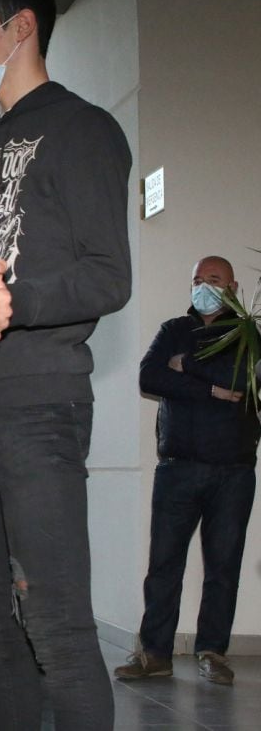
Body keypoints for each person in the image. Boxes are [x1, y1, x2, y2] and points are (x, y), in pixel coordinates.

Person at [0, 0, 131, 729]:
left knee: (55, 622)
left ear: (19, 27)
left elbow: (107, 276)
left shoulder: (83, 128)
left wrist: (18, 301)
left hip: (40, 403)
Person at [114, 256, 259, 686]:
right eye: (196, 279)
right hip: (177, 468)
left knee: (223, 567)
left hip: (234, 470)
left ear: (232, 286)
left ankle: (213, 651)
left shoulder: (248, 335)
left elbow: (237, 378)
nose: (203, 286)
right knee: (164, 565)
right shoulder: (174, 329)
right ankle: (155, 654)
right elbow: (150, 377)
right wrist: (211, 387)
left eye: (212, 280)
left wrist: (189, 367)